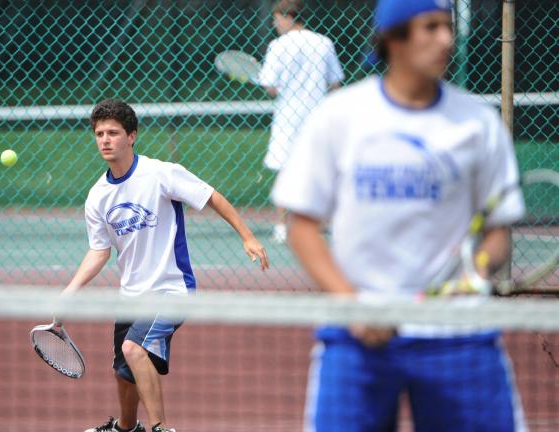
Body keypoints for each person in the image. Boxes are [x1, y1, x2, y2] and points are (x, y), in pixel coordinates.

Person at [272, 0, 527, 430]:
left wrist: (473, 277)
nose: (446, 39)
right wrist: (354, 307)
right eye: (430, 28)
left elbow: (499, 232)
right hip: (357, 340)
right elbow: (302, 225)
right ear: (393, 38)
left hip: (459, 336)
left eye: (447, 27)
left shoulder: (478, 124)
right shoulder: (338, 117)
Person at [63, 99, 269, 432]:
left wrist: (246, 235)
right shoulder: (98, 196)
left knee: (133, 348)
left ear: (132, 136)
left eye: (113, 133)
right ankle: (127, 428)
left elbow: (211, 195)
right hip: (131, 295)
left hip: (172, 289)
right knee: (122, 369)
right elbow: (99, 251)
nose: (104, 140)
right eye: (99, 133)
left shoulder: (160, 173)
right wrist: (69, 291)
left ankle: (160, 428)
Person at [258, 0, 344, 243]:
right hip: (318, 116)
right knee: (322, 171)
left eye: (276, 19)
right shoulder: (324, 43)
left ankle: (282, 227)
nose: (275, 24)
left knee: (286, 172)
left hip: (288, 118)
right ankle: (325, 223)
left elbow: (271, 88)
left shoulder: (277, 46)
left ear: (287, 17)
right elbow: (335, 83)